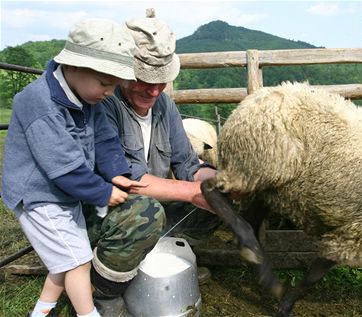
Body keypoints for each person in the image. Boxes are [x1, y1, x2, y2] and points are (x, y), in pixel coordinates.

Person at [1, 19, 147, 317]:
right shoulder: (39, 103)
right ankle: (87, 313)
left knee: (63, 259)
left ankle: (42, 312)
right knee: (77, 262)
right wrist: (103, 191)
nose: (109, 92)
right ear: (75, 67)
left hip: (63, 194)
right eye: (106, 84)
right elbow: (62, 166)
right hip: (38, 196)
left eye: (114, 85)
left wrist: (116, 171)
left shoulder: (86, 98)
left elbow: (105, 138)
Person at [85, 8, 221, 316]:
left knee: (219, 194)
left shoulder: (164, 106)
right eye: (144, 80)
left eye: (160, 81)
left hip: (150, 211)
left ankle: (165, 258)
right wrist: (191, 193)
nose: (154, 90)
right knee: (146, 211)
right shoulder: (103, 105)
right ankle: (104, 289)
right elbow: (124, 179)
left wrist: (221, 182)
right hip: (106, 210)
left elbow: (188, 165)